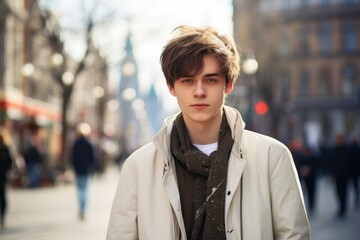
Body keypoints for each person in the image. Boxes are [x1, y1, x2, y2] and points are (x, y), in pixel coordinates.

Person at [107, 25, 310, 240]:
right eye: (188, 81)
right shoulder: (139, 167)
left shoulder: (271, 157)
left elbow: (294, 235)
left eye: (211, 80)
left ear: (228, 84)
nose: (199, 92)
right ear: (171, 87)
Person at [70, 123, 97, 220]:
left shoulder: (75, 144)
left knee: (79, 190)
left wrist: (74, 167)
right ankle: (84, 209)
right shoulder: (89, 144)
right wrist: (92, 169)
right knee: (85, 190)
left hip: (78, 170)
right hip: (86, 170)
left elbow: (72, 158)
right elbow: (93, 158)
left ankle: (80, 209)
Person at [0, 134, 13, 229]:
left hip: (3, 177)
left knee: (3, 198)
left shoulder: (5, 149)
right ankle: (2, 217)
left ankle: (2, 217)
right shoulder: (5, 149)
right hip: (3, 177)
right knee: (3, 198)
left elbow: (10, 162)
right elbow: (10, 162)